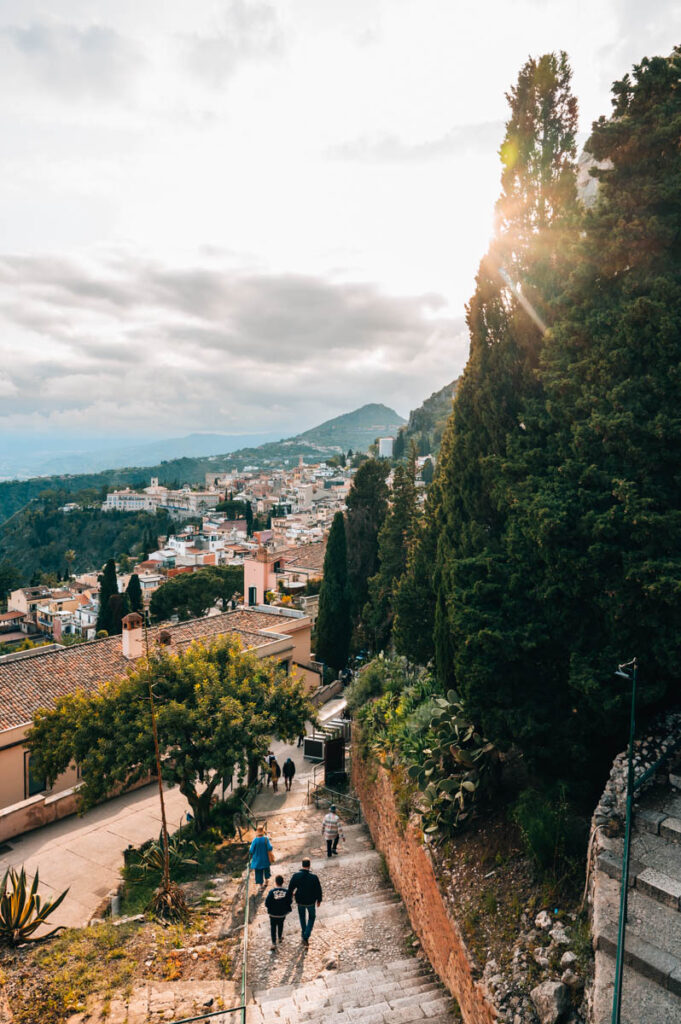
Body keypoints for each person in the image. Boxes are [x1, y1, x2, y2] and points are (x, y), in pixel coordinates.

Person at [288, 858, 322, 947]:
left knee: (302, 918)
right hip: (311, 901)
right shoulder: (314, 877)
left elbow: (290, 888)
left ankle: (304, 934)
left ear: (302, 865)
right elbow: (318, 889)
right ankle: (306, 935)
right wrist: (319, 900)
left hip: (300, 901)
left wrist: (292, 895)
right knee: (312, 917)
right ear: (309, 865)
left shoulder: (296, 876)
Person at [265, 874, 292, 950]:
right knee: (281, 924)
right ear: (283, 882)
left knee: (273, 927)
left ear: (275, 882)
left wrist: (271, 908)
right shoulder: (286, 892)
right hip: (282, 914)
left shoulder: (271, 892)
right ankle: (279, 938)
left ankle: (273, 943)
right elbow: (289, 901)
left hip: (273, 914)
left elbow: (267, 903)